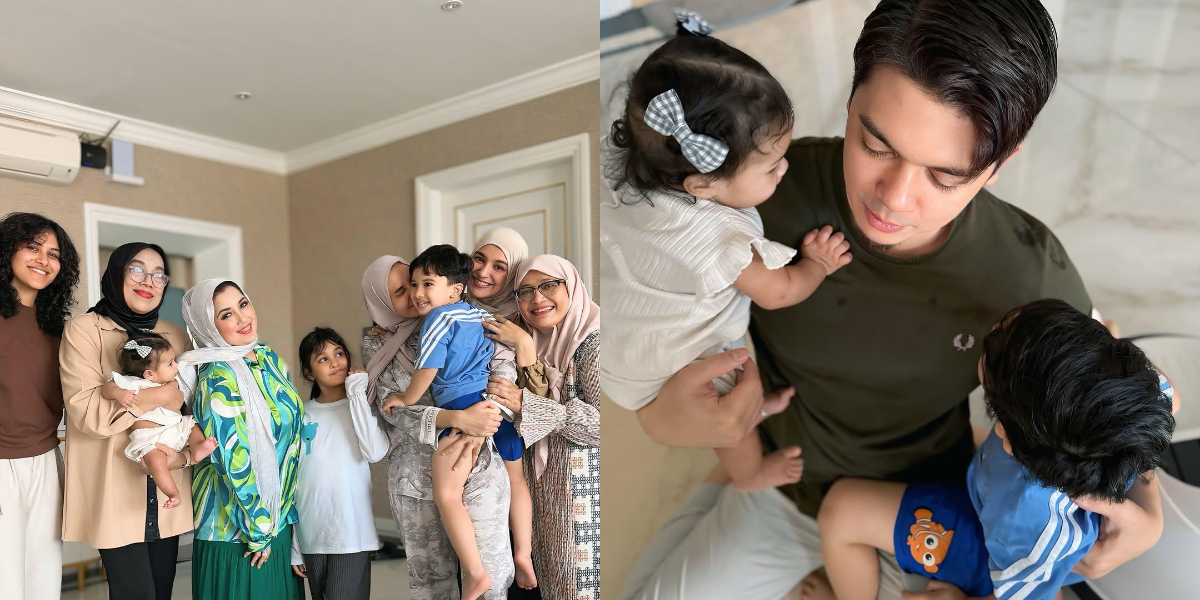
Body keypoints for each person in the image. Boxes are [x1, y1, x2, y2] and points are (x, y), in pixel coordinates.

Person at [620, 2, 1168, 598]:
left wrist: (1149, 509)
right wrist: (664, 418)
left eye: (945, 177)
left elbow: (1116, 391)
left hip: (921, 510)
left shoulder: (1030, 271)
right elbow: (652, 318)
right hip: (784, 485)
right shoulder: (755, 195)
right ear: (850, 102)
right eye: (875, 144)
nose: (894, 201)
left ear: (998, 166)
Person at [600, 15, 851, 491]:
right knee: (724, 393)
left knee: (729, 376)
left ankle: (752, 409)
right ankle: (750, 472)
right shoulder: (716, 240)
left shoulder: (631, 175)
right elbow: (778, 292)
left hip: (625, 344)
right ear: (703, 185)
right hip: (667, 362)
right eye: (772, 165)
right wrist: (816, 264)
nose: (785, 170)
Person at [818, 300, 1179, 600]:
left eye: (995, 342)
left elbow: (1032, 590)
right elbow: (1170, 397)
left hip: (991, 554)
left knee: (840, 511)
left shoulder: (1029, 521)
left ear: (1006, 434)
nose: (995, 327)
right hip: (1001, 502)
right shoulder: (1131, 406)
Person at [381, 244, 536, 598]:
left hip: (464, 413)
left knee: (446, 493)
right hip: (497, 415)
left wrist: (405, 398)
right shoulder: (477, 316)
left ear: (454, 289)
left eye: (427, 284)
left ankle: (476, 573)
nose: (419, 293)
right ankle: (523, 552)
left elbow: (429, 367)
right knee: (518, 481)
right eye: (414, 284)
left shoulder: (440, 318)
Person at [60, 242, 193, 600]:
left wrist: (185, 456)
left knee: (162, 591)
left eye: (159, 274)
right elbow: (87, 413)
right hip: (114, 491)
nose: (148, 280)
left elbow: (186, 411)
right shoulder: (84, 330)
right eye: (137, 269)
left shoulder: (174, 335)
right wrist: (156, 397)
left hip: (168, 486)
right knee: (135, 594)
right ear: (117, 274)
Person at [480, 254, 601, 599]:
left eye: (549, 286)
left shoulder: (592, 344)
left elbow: (602, 427)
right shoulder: (529, 342)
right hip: (538, 496)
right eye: (526, 291)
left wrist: (527, 404)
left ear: (572, 286)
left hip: (581, 502)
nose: (538, 299)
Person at [182, 278, 304, 600]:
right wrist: (259, 527)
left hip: (277, 521)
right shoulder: (216, 376)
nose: (242, 318)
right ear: (208, 326)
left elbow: (291, 443)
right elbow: (231, 460)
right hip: (236, 531)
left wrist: (282, 521)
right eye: (225, 315)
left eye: (243, 304)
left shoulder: (269, 360)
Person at [0, 213, 78, 600]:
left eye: (53, 254)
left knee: (45, 580)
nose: (43, 260)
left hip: (47, 460)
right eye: (32, 247)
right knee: (5, 582)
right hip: (0, 465)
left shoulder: (60, 330)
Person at [290, 327, 390, 600]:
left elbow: (375, 452)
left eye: (339, 353)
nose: (335, 362)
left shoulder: (360, 407)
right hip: (312, 535)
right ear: (309, 372)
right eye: (322, 359)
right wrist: (296, 546)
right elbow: (294, 483)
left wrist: (357, 392)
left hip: (351, 533)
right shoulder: (301, 415)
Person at [110, 333, 217, 508]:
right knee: (156, 462)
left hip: (174, 426)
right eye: (170, 363)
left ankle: (197, 449)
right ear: (149, 374)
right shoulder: (133, 383)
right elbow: (108, 387)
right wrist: (118, 393)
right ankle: (172, 492)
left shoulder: (173, 381)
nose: (176, 365)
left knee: (192, 424)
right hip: (151, 437)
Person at [470, 227, 529, 320]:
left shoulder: (527, 322)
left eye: (498, 267)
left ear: (513, 275)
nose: (482, 273)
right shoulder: (450, 304)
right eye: (479, 259)